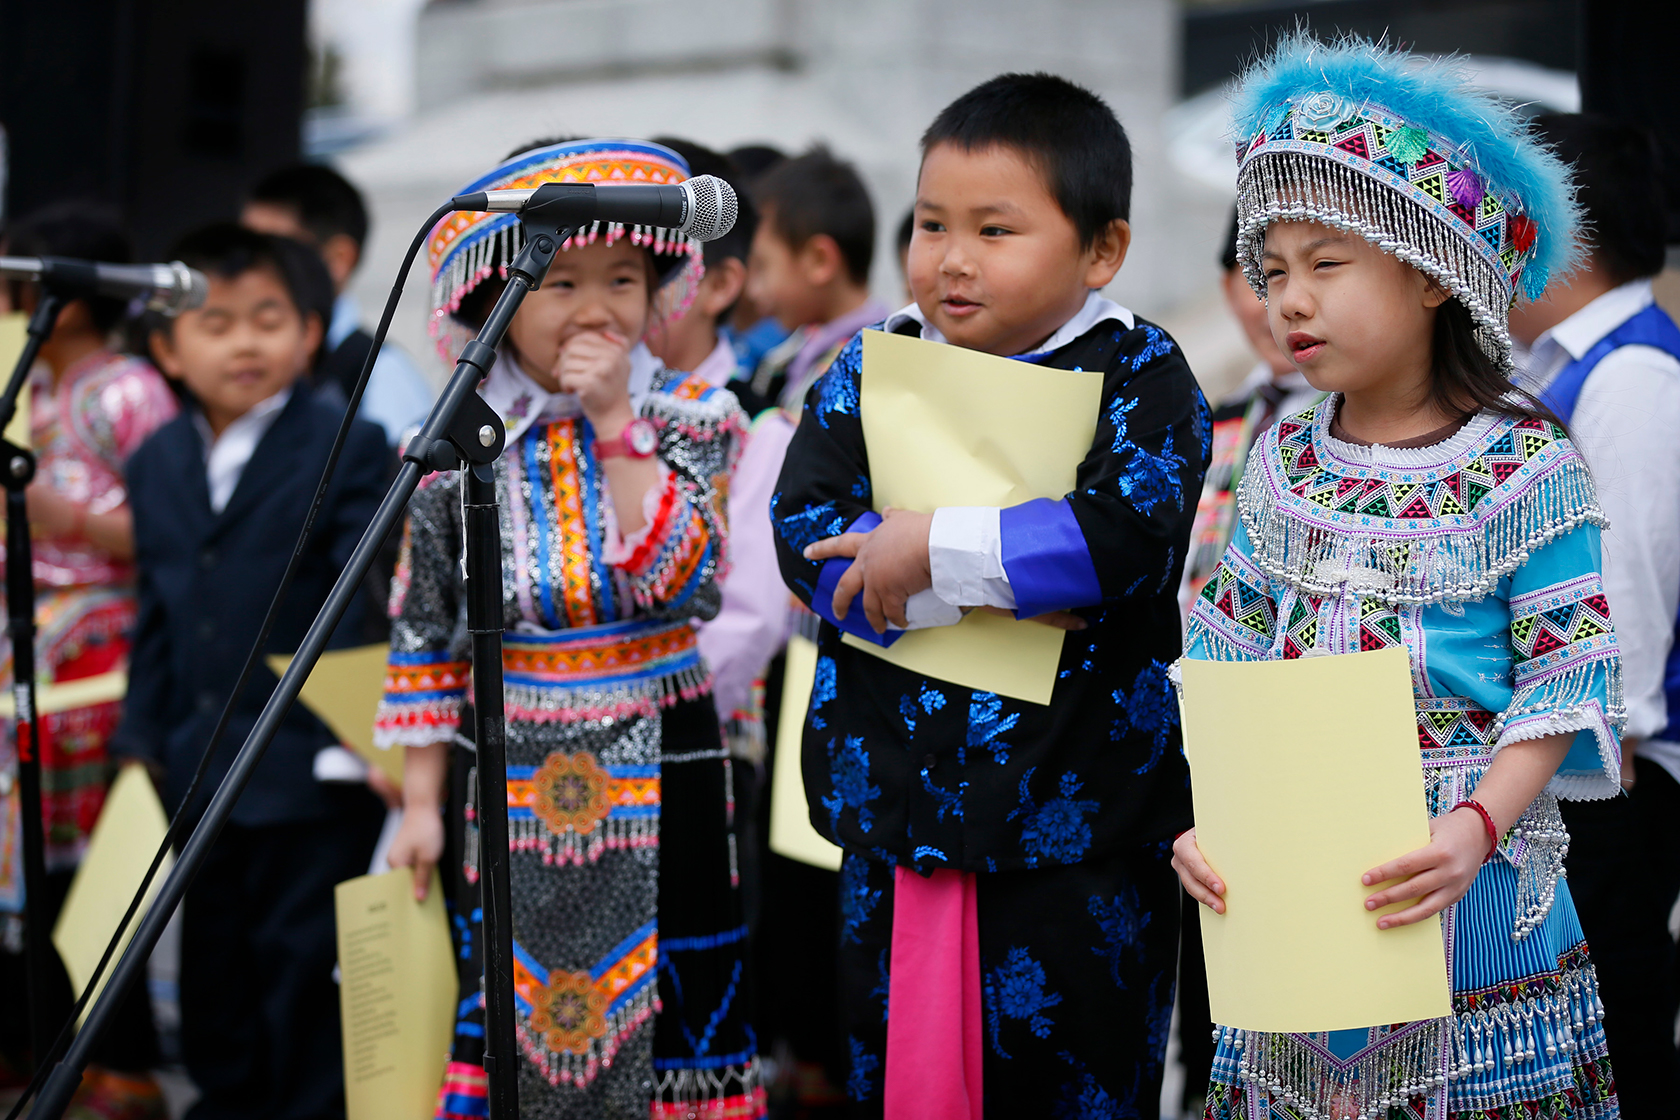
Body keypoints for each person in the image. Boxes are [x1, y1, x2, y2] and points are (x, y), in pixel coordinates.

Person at [1176, 35, 1623, 1120]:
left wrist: (1472, 827)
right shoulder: (1277, 457)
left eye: (1327, 265)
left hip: (1463, 879)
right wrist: (1206, 820)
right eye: (1272, 270)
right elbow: (1226, 658)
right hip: (1293, 885)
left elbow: (1566, 676)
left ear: (1429, 270)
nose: (1290, 301)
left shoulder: (1527, 463)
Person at [774, 73, 1208, 1116]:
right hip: (895, 815)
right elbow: (805, 539)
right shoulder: (870, 365)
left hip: (1079, 834)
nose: (950, 258)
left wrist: (926, 550)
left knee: (1074, 1084)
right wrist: (988, 579)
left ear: (1102, 249)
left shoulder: (1142, 373)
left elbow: (1121, 539)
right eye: (930, 224)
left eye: (994, 228)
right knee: (894, 1079)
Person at [377, 138, 759, 1120]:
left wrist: (618, 425)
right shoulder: (455, 450)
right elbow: (425, 634)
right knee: (510, 1005)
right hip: (506, 762)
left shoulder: (691, 417)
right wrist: (420, 803)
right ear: (493, 301)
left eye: (624, 278)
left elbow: (687, 579)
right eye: (558, 281)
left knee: (674, 1004)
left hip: (661, 742)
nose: (597, 307)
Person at [110, 223, 391, 1120]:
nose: (242, 341)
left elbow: (363, 597)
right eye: (214, 321)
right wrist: (139, 741)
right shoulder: (156, 458)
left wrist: (358, 741)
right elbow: (159, 607)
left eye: (267, 318)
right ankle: (224, 1103)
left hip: (307, 765)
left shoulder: (348, 439)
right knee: (213, 971)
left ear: (310, 333)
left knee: (304, 971)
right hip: (196, 765)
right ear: (166, 346)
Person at [1508, 111, 1680, 1117]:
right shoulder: (1566, 366)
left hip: (1606, 776)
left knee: (1614, 1034)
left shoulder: (1634, 377)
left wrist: (1590, 764)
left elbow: (1627, 614)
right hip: (1572, 766)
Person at [0, 203, 178, 1117]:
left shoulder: (129, 392)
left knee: (89, 867)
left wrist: (66, 523)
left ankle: (120, 1059)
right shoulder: (19, 385)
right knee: (20, 866)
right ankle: (32, 1040)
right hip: (21, 651)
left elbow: (174, 531)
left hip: (100, 652)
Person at [243, 162, 435, 444]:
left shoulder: (382, 375)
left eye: (274, 250)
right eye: (244, 251)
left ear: (338, 259)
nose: (249, 271)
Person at [732, 147, 890, 419]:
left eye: (763, 266)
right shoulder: (802, 351)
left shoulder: (860, 371)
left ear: (819, 261)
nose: (754, 290)